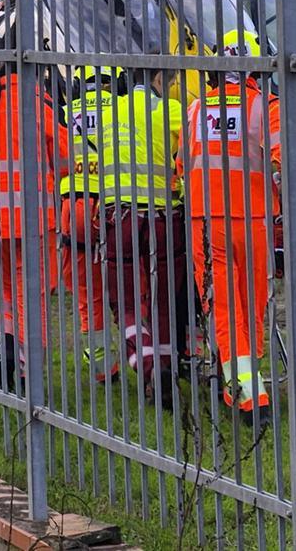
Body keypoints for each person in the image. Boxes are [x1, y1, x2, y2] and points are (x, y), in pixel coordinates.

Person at [178, 30, 280, 427]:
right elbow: (281, 164)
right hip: (253, 221)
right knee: (254, 302)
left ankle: (242, 383)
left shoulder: (195, 110)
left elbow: (181, 165)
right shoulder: (264, 107)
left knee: (221, 305)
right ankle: (246, 384)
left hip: (207, 222)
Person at [0, 64, 67, 391]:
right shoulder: (37, 102)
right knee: (30, 294)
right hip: (33, 219)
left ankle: (3, 342)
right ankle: (25, 371)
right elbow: (64, 158)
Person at [100, 64, 186, 409]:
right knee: (165, 300)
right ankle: (165, 367)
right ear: (156, 78)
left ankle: (148, 367)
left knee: (126, 303)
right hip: (166, 219)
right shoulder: (171, 111)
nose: (174, 86)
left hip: (119, 219)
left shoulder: (109, 111)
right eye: (172, 79)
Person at [59, 64, 121, 383]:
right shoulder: (122, 108)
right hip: (115, 206)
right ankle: (146, 355)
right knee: (133, 285)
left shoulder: (66, 112)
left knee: (88, 291)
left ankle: (101, 368)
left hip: (76, 207)